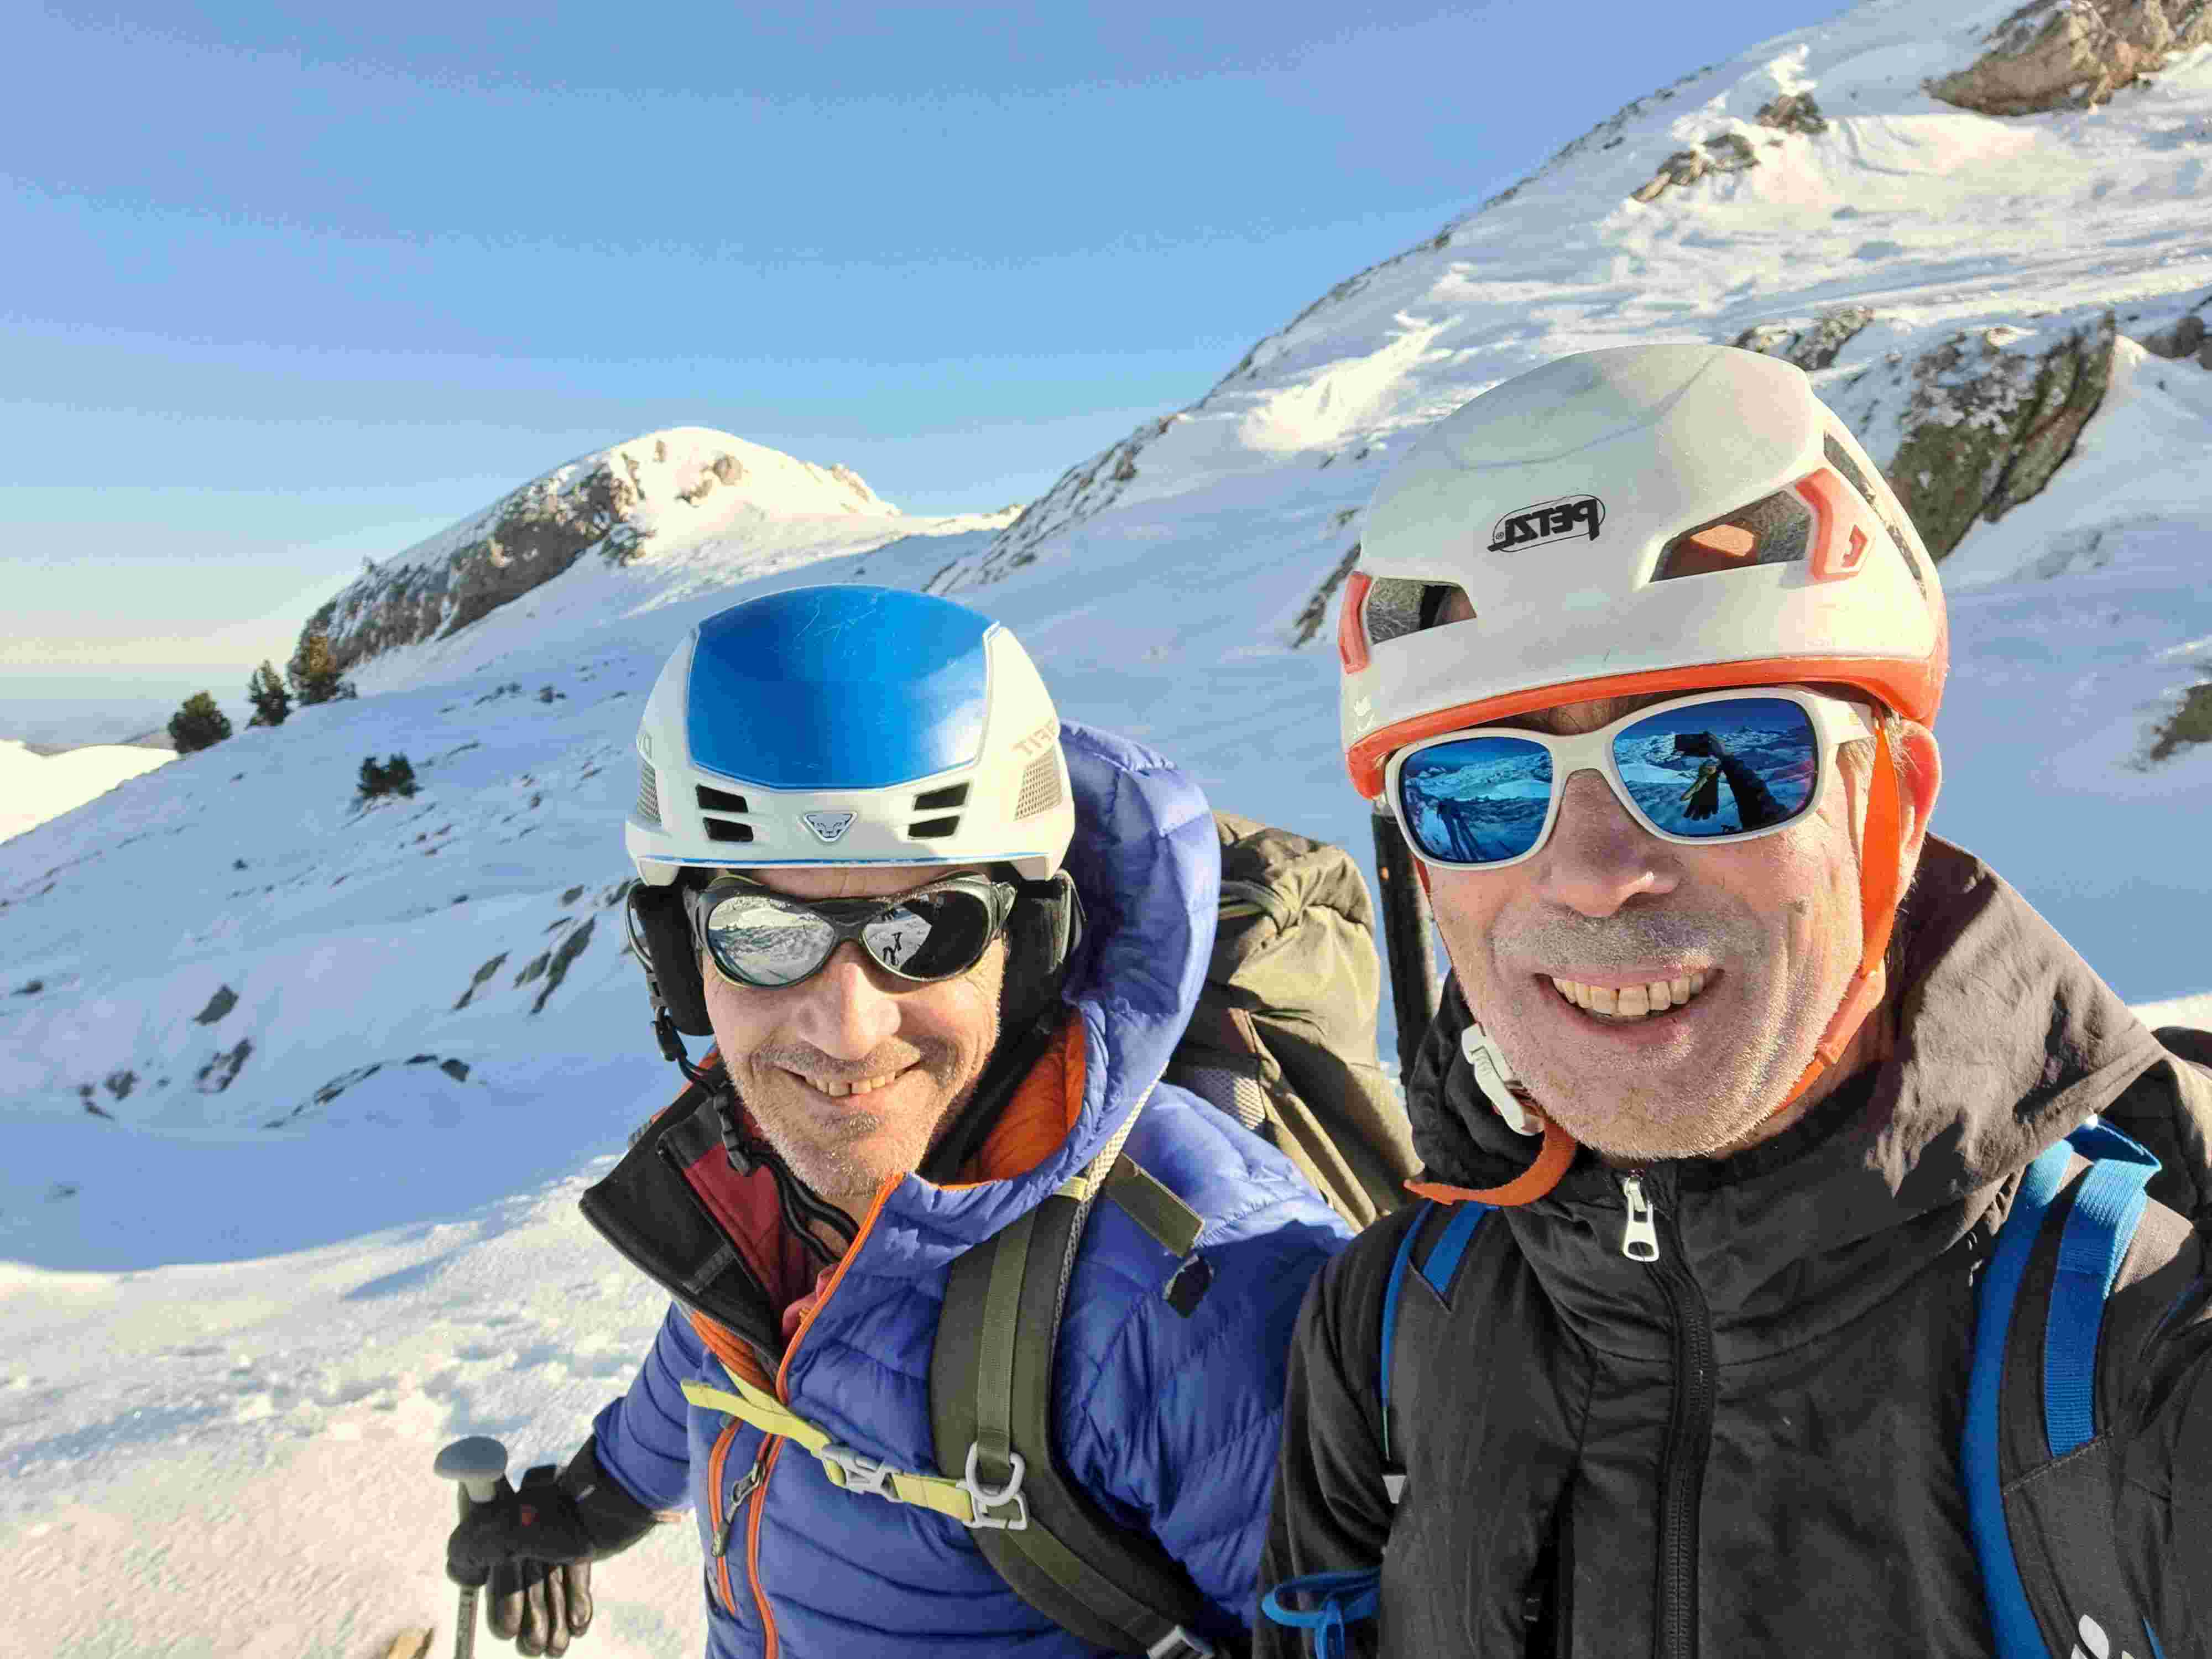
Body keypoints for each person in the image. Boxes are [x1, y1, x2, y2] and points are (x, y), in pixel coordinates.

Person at [1259, 345, 2212, 1655]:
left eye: (1710, 756)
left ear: (1894, 803)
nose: (1593, 877)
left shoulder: (2145, 1340)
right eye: (1477, 790)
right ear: (1419, 866)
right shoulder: (1385, 1328)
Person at [447, 584, 1350, 1657]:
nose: (845, 1028)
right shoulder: (756, 1183)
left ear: (1031, 950)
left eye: (925, 929)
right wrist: (585, 1506)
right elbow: (715, 1358)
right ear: (680, 965)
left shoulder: (1201, 1294)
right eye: (764, 934)